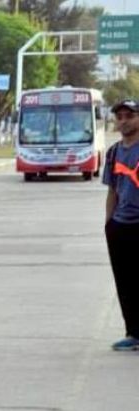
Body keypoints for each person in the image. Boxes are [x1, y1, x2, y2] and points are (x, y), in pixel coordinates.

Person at [104, 99, 139, 351]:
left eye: (130, 115)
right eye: (120, 117)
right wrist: (108, 223)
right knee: (125, 282)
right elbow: (112, 191)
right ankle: (134, 333)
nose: (124, 120)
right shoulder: (114, 152)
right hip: (120, 226)